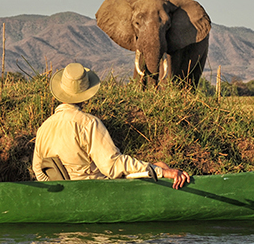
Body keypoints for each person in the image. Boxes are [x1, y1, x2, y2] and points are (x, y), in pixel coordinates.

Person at [32, 62, 191, 189]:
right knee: (160, 165)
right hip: (94, 189)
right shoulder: (89, 123)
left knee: (158, 166)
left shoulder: (44, 128)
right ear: (85, 94)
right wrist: (161, 171)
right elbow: (112, 165)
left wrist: (61, 191)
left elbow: (39, 170)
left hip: (62, 190)